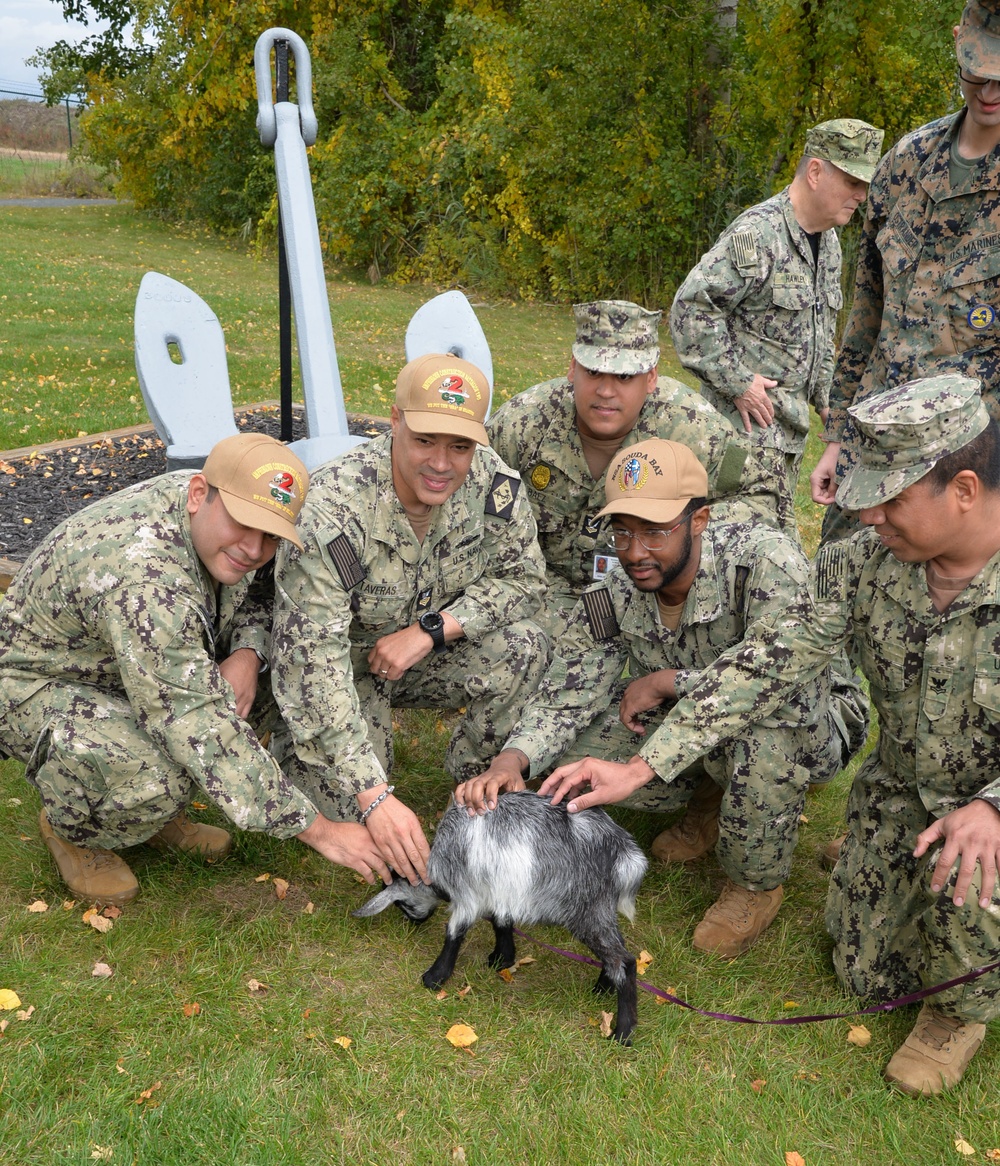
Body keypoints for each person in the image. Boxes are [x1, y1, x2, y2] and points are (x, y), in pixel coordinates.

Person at [541, 376, 1000, 1096]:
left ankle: (958, 1013)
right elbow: (765, 665)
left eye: (892, 496)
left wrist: (993, 805)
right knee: (865, 971)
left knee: (970, 905)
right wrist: (641, 767)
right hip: (901, 788)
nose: (870, 514)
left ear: (964, 489)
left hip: (990, 805)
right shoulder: (860, 563)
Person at [457, 438, 859, 958]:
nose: (635, 551)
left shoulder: (764, 561)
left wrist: (670, 682)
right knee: (555, 762)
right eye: (622, 530)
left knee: (764, 737)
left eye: (654, 531)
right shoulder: (618, 581)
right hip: (685, 718)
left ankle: (754, 884)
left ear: (699, 520)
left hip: (807, 717)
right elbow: (572, 683)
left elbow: (779, 683)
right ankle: (710, 799)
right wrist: (513, 759)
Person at [0, 434, 391, 906]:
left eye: (270, 535)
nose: (252, 548)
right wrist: (322, 831)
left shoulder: (218, 514)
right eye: (244, 525)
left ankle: (151, 817)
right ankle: (76, 826)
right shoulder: (143, 577)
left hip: (127, 667)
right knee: (159, 769)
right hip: (39, 683)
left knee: (273, 676)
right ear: (199, 495)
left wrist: (248, 653)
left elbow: (261, 594)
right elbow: (196, 724)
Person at [270, 353, 549, 887]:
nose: (442, 463)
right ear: (395, 420)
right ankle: (294, 755)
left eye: (460, 446)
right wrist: (372, 794)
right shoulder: (333, 510)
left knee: (525, 645)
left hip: (421, 656)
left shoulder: (494, 487)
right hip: (339, 673)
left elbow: (525, 581)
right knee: (360, 817)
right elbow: (311, 666)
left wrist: (432, 631)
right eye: (425, 440)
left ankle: (478, 794)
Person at [487, 299, 787, 643]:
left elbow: (763, 495)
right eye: (593, 371)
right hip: (545, 594)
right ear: (573, 368)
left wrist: (677, 530)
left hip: (649, 596)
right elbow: (474, 493)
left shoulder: (691, 427)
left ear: (651, 378)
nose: (606, 390)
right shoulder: (525, 422)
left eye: (625, 376)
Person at [811, 0, 1000, 544]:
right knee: (835, 592)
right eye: (976, 73)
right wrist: (837, 437)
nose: (988, 93)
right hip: (872, 448)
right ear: (959, 43)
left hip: (965, 470)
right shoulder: (906, 162)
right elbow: (866, 315)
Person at [671, 118, 884, 503]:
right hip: (740, 436)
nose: (862, 195)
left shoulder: (829, 244)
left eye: (865, 185)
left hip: (787, 441)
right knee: (728, 536)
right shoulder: (758, 235)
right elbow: (690, 311)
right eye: (853, 182)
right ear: (816, 172)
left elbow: (817, 331)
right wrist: (738, 382)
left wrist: (827, 403)